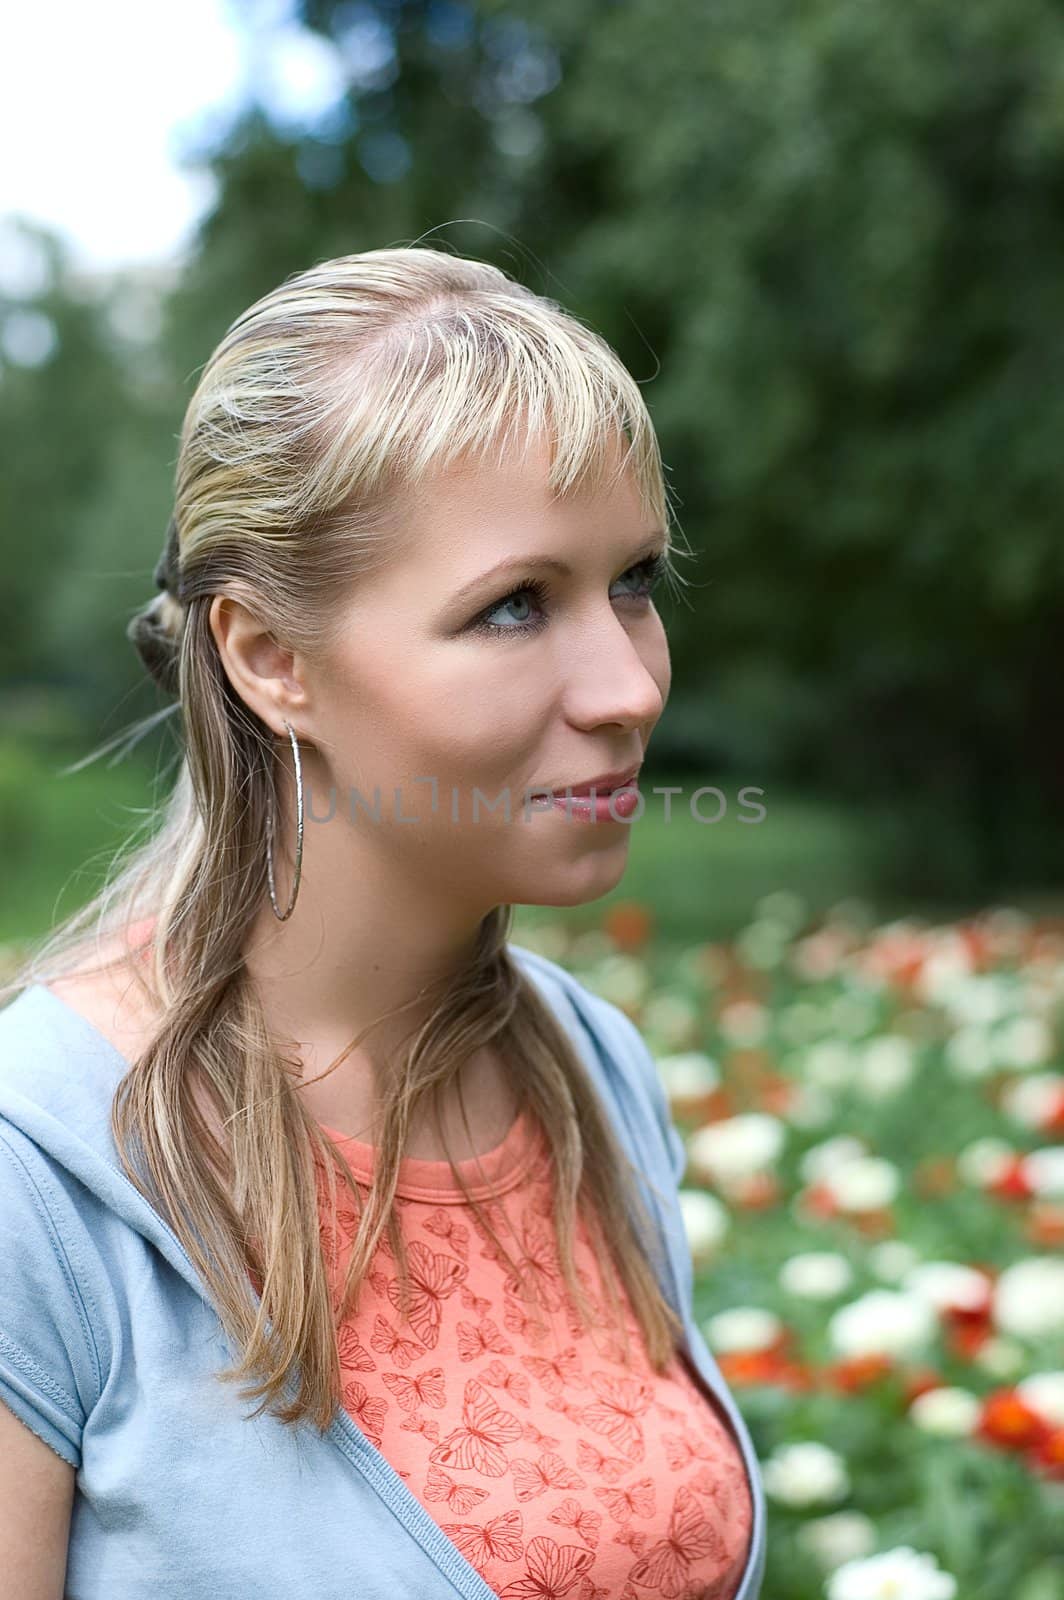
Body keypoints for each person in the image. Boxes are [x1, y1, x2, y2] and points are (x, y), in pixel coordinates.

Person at [0, 245, 766, 1599]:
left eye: (635, 582)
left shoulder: (595, 1073)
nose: (630, 686)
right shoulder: (40, 1182)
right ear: (268, 658)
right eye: (516, 605)